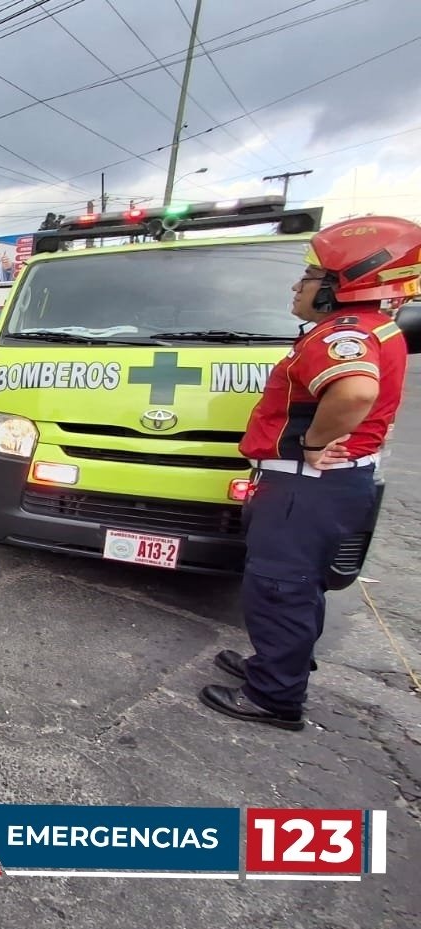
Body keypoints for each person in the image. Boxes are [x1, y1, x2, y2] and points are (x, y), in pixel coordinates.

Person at [200, 216, 421, 731]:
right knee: (298, 584)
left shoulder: (343, 334)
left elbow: (356, 391)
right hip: (326, 485)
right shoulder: (375, 328)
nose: (298, 286)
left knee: (281, 585)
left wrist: (314, 443)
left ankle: (274, 696)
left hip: (307, 483)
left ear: (341, 286)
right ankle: (279, 664)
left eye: (309, 277)